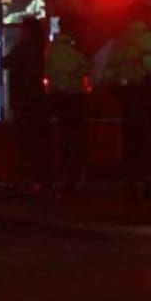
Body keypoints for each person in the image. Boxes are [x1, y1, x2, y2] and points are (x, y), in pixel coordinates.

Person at [101, 2, 151, 197]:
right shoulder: (147, 37)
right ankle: (149, 180)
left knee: (131, 138)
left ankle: (130, 180)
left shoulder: (121, 39)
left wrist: (114, 89)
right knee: (147, 138)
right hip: (144, 92)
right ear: (144, 15)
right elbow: (150, 64)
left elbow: (110, 68)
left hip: (126, 95)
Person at [4, 16, 51, 191]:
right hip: (39, 101)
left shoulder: (22, 50)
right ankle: (44, 178)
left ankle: (27, 179)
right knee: (41, 142)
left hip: (24, 102)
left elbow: (4, 63)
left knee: (26, 142)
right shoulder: (44, 48)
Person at [45, 13, 90, 193]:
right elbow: (86, 68)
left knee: (64, 139)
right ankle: (73, 175)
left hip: (59, 99)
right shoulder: (73, 50)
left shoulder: (52, 50)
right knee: (75, 139)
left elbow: (49, 75)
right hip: (74, 99)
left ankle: (65, 175)